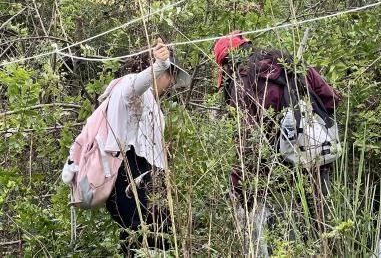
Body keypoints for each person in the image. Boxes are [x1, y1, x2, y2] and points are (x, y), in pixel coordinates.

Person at [214, 31, 340, 254]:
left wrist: (240, 188)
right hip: (318, 158)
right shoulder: (289, 62)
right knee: (325, 232)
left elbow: (247, 144)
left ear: (226, 64)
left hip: (280, 174)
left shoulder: (241, 83)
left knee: (288, 240)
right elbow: (331, 99)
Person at [98, 38, 190, 255]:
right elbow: (135, 86)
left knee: (153, 239)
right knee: (145, 238)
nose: (170, 85)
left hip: (144, 179)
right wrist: (160, 65)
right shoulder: (129, 85)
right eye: (171, 77)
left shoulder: (147, 99)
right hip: (131, 178)